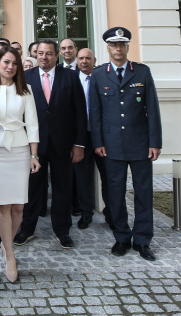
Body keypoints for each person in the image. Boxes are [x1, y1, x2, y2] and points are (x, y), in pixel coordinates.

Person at [89, 28, 161, 261]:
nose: (118, 49)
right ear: (107, 49)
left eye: (122, 45)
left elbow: (153, 109)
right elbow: (96, 113)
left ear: (128, 47)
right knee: (115, 194)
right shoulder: (99, 75)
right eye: (113, 45)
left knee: (143, 193)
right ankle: (121, 236)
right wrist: (97, 142)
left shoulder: (142, 72)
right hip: (111, 146)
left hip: (140, 144)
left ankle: (142, 239)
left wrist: (155, 142)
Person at [15, 39, 86, 249]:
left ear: (57, 56)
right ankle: (27, 229)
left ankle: (62, 230)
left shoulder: (71, 77)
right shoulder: (26, 77)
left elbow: (80, 113)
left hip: (63, 144)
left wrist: (79, 144)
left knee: (62, 188)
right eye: (40, 53)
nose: (44, 57)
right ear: (36, 55)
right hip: (34, 145)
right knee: (33, 188)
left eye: (49, 54)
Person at [0, 46, 40, 283]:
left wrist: (34, 155)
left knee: (19, 207)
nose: (10, 67)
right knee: (2, 205)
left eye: (14, 63)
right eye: (5, 62)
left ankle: (6, 244)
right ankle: (10, 254)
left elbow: (32, 124)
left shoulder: (26, 90)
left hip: (21, 150)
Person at [72, 47, 114, 231]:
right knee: (82, 178)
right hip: (81, 137)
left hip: (102, 137)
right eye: (80, 58)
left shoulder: (102, 77)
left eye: (88, 58)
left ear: (94, 59)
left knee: (108, 177)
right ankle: (86, 213)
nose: (84, 61)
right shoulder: (72, 79)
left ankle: (111, 213)